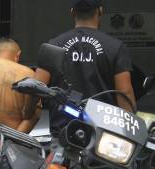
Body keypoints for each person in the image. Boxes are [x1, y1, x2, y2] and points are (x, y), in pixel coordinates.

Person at [34, 0, 136, 140]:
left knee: (57, 162)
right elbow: (125, 93)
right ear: (100, 11)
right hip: (104, 136)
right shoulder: (115, 47)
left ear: (72, 12)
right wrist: (130, 133)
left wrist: (27, 114)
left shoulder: (54, 44)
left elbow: (36, 88)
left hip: (64, 135)